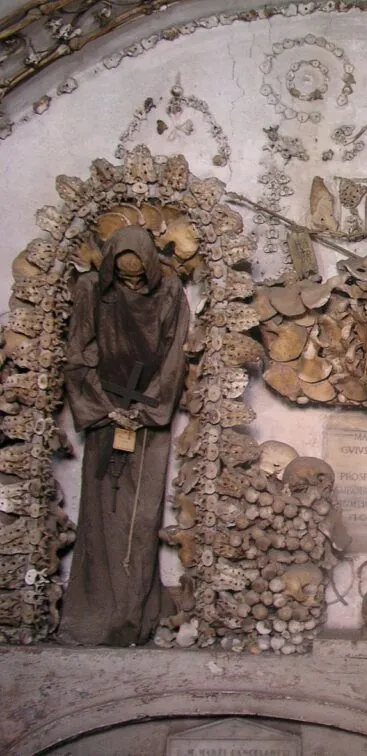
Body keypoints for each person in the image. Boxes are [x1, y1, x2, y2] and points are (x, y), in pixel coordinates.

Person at [59, 226, 190, 646]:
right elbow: (78, 352)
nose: (131, 284)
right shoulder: (90, 290)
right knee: (102, 511)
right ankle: (96, 609)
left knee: (140, 515)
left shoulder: (169, 292)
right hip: (105, 412)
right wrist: (105, 408)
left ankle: (134, 611)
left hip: (147, 419)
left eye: (138, 277)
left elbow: (174, 357)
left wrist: (146, 410)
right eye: (123, 277)